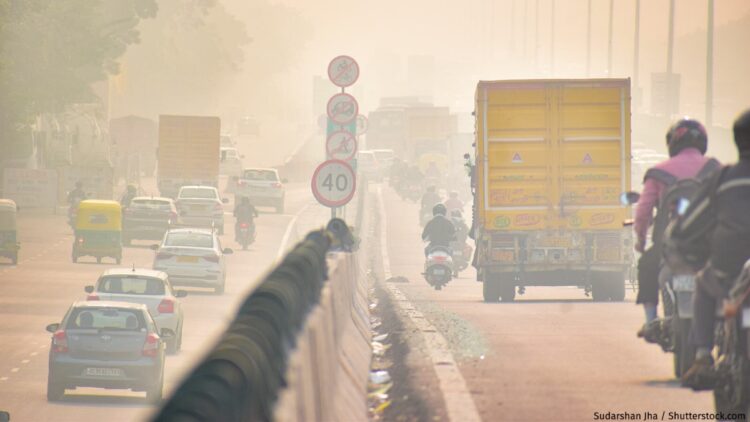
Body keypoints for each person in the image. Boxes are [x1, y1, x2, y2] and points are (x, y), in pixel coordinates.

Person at [672, 109, 750, 389]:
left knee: (703, 285)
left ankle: (703, 356)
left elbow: (689, 226)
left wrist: (690, 254)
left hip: (727, 271)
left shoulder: (723, 179)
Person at [633, 118, 719, 338]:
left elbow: (642, 213)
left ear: (672, 143)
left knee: (647, 265)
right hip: (710, 245)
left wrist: (641, 242)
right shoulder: (716, 169)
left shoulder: (658, 172)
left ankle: (651, 320)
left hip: (669, 247)